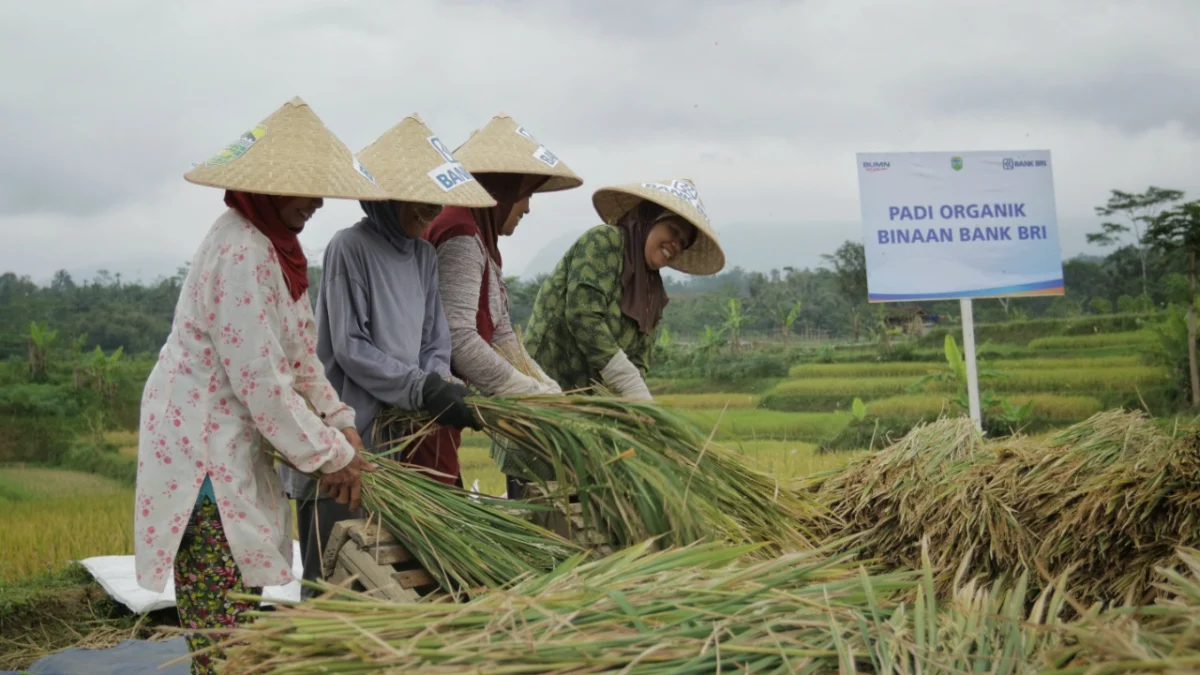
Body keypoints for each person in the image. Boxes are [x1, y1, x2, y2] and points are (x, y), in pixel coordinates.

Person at [134, 97, 383, 675]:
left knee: (241, 602)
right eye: (307, 189)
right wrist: (332, 457)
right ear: (268, 189)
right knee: (223, 622)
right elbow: (263, 384)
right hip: (200, 450)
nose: (319, 203)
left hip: (231, 440)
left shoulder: (281, 250)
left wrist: (341, 422)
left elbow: (300, 357)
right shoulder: (242, 250)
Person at [276, 114, 498, 593]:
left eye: (435, 203)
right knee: (331, 573)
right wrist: (420, 388)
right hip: (343, 441)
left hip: (395, 444)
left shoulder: (421, 256)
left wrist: (438, 380)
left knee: (378, 574)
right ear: (388, 198)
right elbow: (351, 349)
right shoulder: (348, 248)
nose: (429, 214)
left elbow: (434, 338)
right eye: (419, 204)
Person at [513, 179, 725, 488]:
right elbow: (584, 316)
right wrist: (631, 385)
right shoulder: (605, 243)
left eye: (684, 242)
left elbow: (639, 361)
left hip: (591, 430)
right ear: (651, 218)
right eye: (673, 232)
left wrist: (636, 416)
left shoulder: (653, 295)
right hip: (544, 408)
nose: (676, 244)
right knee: (536, 517)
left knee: (584, 524)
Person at [423, 116, 583, 498]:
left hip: (445, 408)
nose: (526, 206)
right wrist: (522, 391)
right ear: (501, 190)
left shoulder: (481, 236)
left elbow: (502, 332)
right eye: (524, 192)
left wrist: (544, 387)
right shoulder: (461, 233)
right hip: (429, 407)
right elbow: (458, 337)